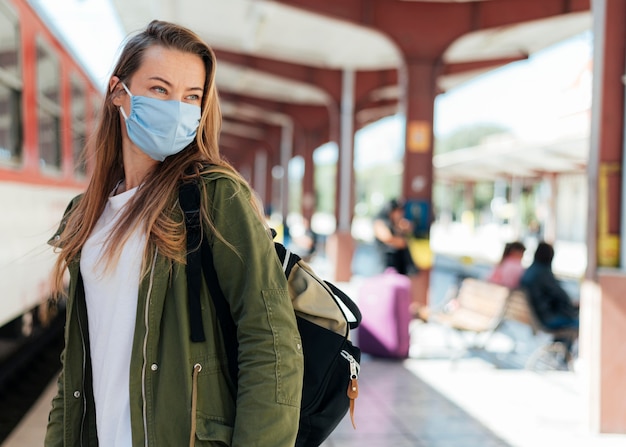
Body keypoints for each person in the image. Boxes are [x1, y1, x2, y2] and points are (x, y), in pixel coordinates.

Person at [45, 20, 303, 447]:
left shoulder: (214, 196)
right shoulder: (86, 216)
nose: (178, 108)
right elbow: (74, 368)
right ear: (117, 92)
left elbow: (271, 341)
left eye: (192, 97)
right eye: (160, 90)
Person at [520, 241, 579, 354]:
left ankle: (560, 353)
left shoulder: (530, 271)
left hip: (541, 315)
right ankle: (564, 354)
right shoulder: (543, 273)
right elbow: (561, 296)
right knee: (580, 323)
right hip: (549, 318)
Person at [373, 198, 418, 276]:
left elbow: (410, 228)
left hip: (401, 266)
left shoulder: (397, 223)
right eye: (398, 211)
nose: (400, 214)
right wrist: (401, 241)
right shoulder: (380, 222)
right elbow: (387, 238)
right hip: (387, 265)